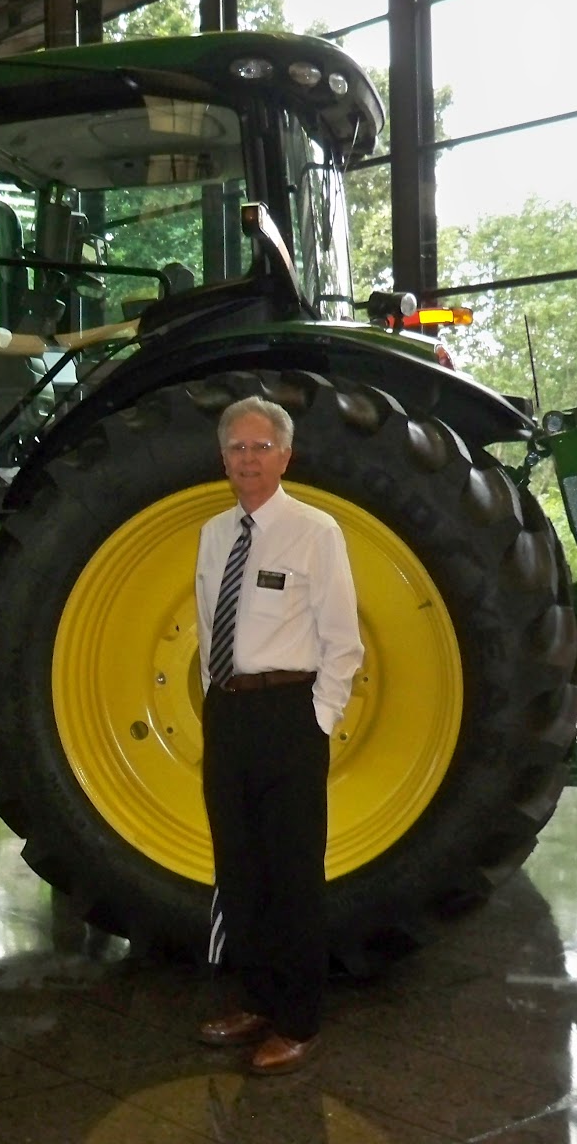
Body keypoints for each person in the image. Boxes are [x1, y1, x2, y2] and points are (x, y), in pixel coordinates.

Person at [193, 395, 363, 1075]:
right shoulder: (213, 532)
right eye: (238, 448)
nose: (249, 460)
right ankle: (255, 1000)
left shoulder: (315, 531)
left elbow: (342, 641)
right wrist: (216, 698)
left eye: (262, 448)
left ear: (286, 456)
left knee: (293, 874)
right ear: (223, 457)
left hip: (290, 715)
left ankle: (298, 1021)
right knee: (239, 870)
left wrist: (318, 716)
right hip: (229, 714)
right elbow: (211, 626)